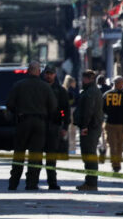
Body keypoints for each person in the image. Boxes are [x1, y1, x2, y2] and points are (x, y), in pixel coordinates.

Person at [6, 61, 57, 191]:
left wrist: (18, 111)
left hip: (23, 121)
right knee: (35, 154)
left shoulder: (18, 85)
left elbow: (10, 104)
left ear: (28, 71)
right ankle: (31, 183)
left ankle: (13, 183)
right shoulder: (46, 87)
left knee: (19, 153)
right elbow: (53, 107)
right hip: (40, 122)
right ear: (39, 72)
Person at [42, 66, 70, 190]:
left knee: (51, 157)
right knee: (36, 155)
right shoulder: (39, 88)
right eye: (47, 73)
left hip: (54, 125)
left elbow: (64, 109)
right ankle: (32, 182)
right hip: (40, 125)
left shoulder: (60, 91)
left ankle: (52, 182)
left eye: (51, 74)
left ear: (55, 75)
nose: (49, 76)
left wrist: (64, 124)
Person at [74, 70, 104, 191]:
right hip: (92, 127)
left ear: (89, 79)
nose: (83, 81)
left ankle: (91, 183)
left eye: (84, 78)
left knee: (89, 154)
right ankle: (90, 181)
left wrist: (85, 126)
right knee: (88, 154)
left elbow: (88, 110)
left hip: (90, 128)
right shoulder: (91, 90)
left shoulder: (91, 92)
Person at [102, 76, 123, 172]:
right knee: (119, 145)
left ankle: (114, 163)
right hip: (120, 124)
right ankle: (117, 164)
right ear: (117, 83)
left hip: (109, 123)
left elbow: (102, 110)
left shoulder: (106, 94)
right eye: (122, 83)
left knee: (112, 145)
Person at [62, 75, 79, 153]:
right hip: (73, 111)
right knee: (73, 131)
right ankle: (72, 148)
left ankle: (67, 147)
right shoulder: (73, 91)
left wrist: (62, 114)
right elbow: (76, 101)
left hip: (65, 111)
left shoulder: (63, 90)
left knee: (67, 130)